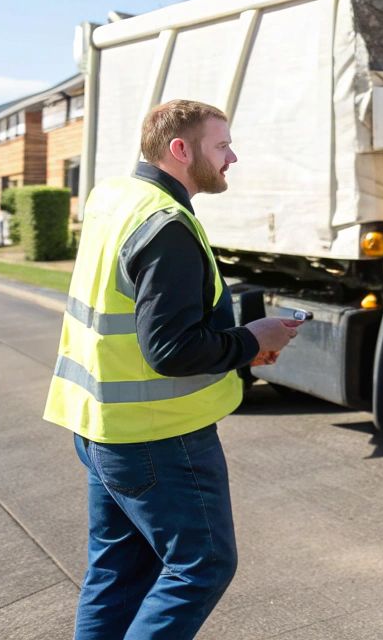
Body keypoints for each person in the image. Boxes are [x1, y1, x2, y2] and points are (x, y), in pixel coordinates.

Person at [44, 99, 300, 640]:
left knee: (117, 573)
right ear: (180, 150)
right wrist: (251, 340)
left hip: (100, 426)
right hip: (157, 436)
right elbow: (170, 350)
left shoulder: (115, 199)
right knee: (202, 566)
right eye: (222, 145)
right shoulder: (167, 226)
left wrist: (238, 344)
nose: (233, 157)